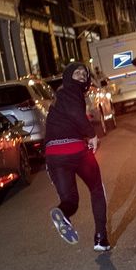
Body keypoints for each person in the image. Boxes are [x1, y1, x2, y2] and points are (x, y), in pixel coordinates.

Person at [46, 62, 110, 252]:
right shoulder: (70, 91)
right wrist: (92, 135)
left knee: (70, 200)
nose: (82, 75)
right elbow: (75, 113)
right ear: (68, 77)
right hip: (75, 150)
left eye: (84, 73)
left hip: (53, 154)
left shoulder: (59, 97)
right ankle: (100, 238)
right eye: (77, 73)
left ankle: (62, 213)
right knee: (97, 189)